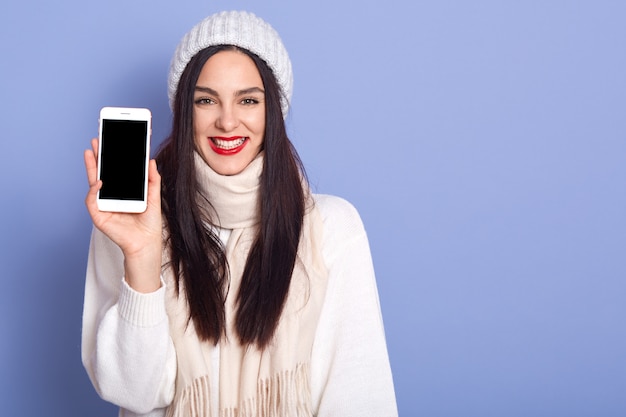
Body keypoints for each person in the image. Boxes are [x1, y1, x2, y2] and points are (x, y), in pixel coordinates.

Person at [82, 10, 397, 417]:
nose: (227, 121)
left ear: (273, 112)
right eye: (206, 100)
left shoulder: (331, 228)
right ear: (184, 111)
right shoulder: (131, 224)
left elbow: (360, 397)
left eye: (248, 100)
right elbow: (134, 394)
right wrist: (141, 259)